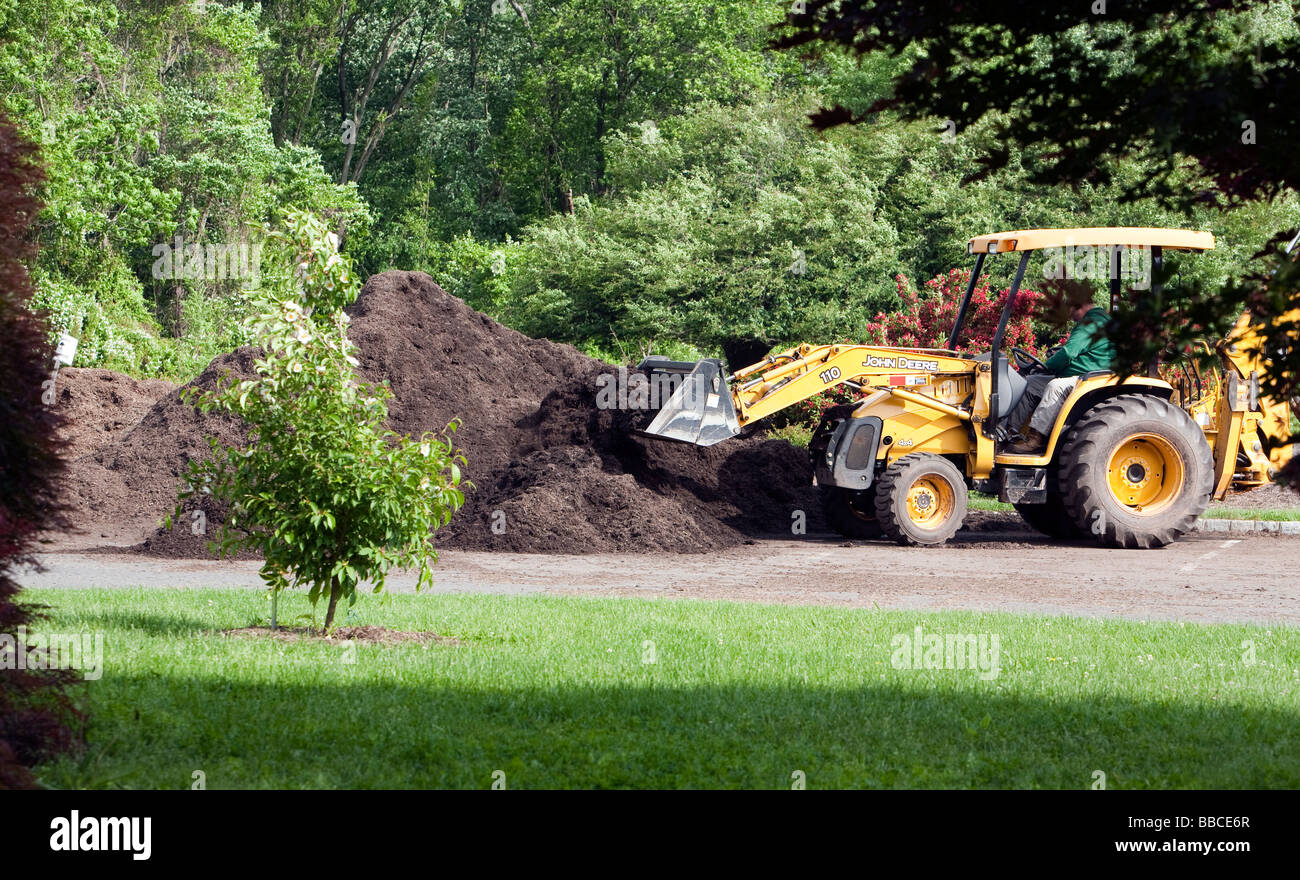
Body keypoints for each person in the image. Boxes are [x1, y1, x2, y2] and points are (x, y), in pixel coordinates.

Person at [1005, 293, 1115, 454]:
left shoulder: (1091, 323)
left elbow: (1069, 353)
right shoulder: (1102, 320)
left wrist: (1047, 366)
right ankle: (1012, 431)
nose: (1070, 315)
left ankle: (1028, 437)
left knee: (1042, 385)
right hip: (1090, 376)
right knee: (1034, 382)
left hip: (1087, 378)